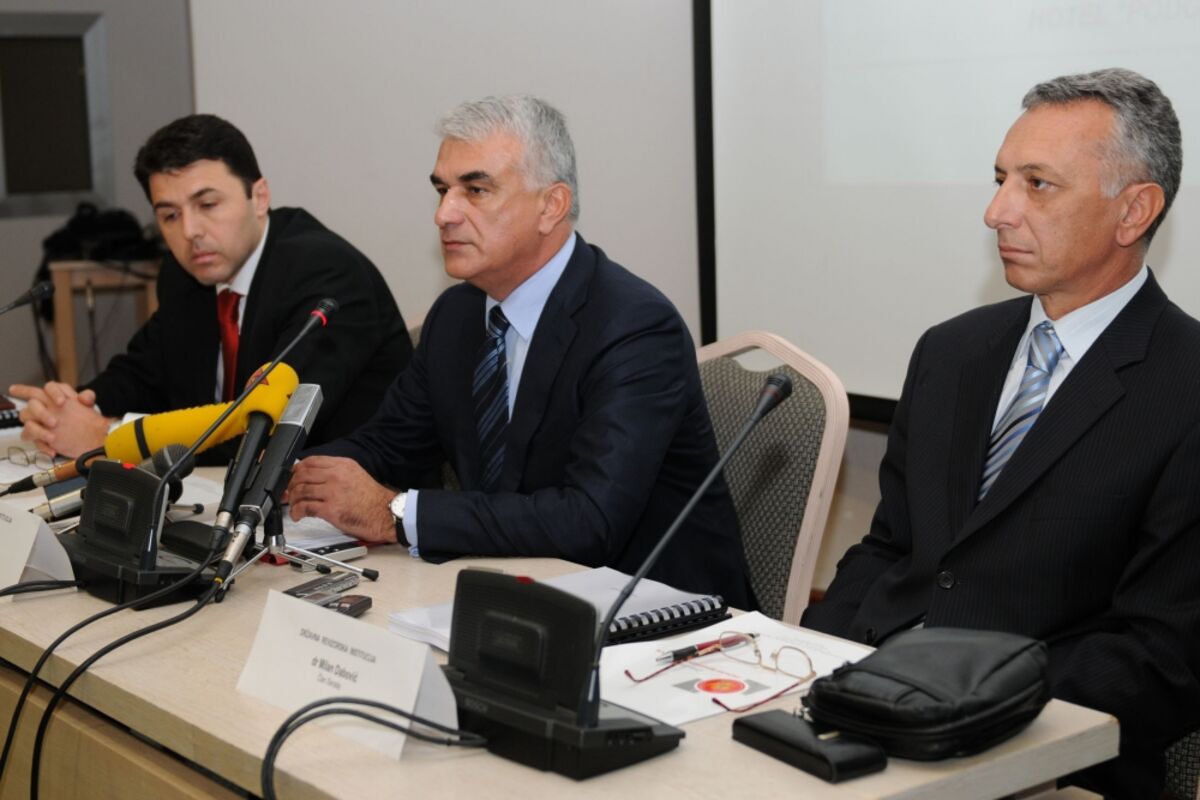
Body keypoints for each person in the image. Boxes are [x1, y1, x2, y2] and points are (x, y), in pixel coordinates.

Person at [801, 68, 1200, 798]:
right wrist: (813, 665)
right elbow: (890, 549)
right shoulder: (952, 351)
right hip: (867, 710)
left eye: (1037, 185)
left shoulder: (1187, 386)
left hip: (1043, 752)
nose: (996, 212)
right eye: (1000, 180)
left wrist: (954, 697)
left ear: (1134, 211)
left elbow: (1162, 658)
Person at [286, 95, 751, 607]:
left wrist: (394, 513)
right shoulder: (456, 316)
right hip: (509, 591)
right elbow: (391, 444)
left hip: (655, 612)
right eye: (442, 190)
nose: (444, 214)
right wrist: (289, 473)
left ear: (551, 205)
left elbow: (589, 520)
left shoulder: (635, 326)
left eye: (476, 190)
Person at [11, 114, 410, 460]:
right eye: (170, 215)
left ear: (259, 197)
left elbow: (266, 426)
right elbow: (144, 372)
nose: (190, 231)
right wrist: (71, 409)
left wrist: (109, 436)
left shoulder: (327, 273)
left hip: (357, 502)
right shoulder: (184, 275)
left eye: (207, 205)